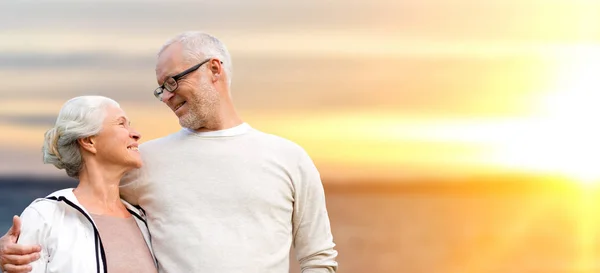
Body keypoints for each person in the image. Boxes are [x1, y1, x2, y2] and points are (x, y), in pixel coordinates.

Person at [0, 31, 338, 273]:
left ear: (214, 70)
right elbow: (85, 201)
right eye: (161, 88)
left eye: (173, 82)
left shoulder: (289, 158)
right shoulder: (144, 161)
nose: (165, 96)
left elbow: (318, 259)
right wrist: (7, 253)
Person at [2, 96, 157, 273]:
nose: (136, 133)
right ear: (89, 141)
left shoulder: (145, 221)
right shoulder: (45, 217)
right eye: (121, 124)